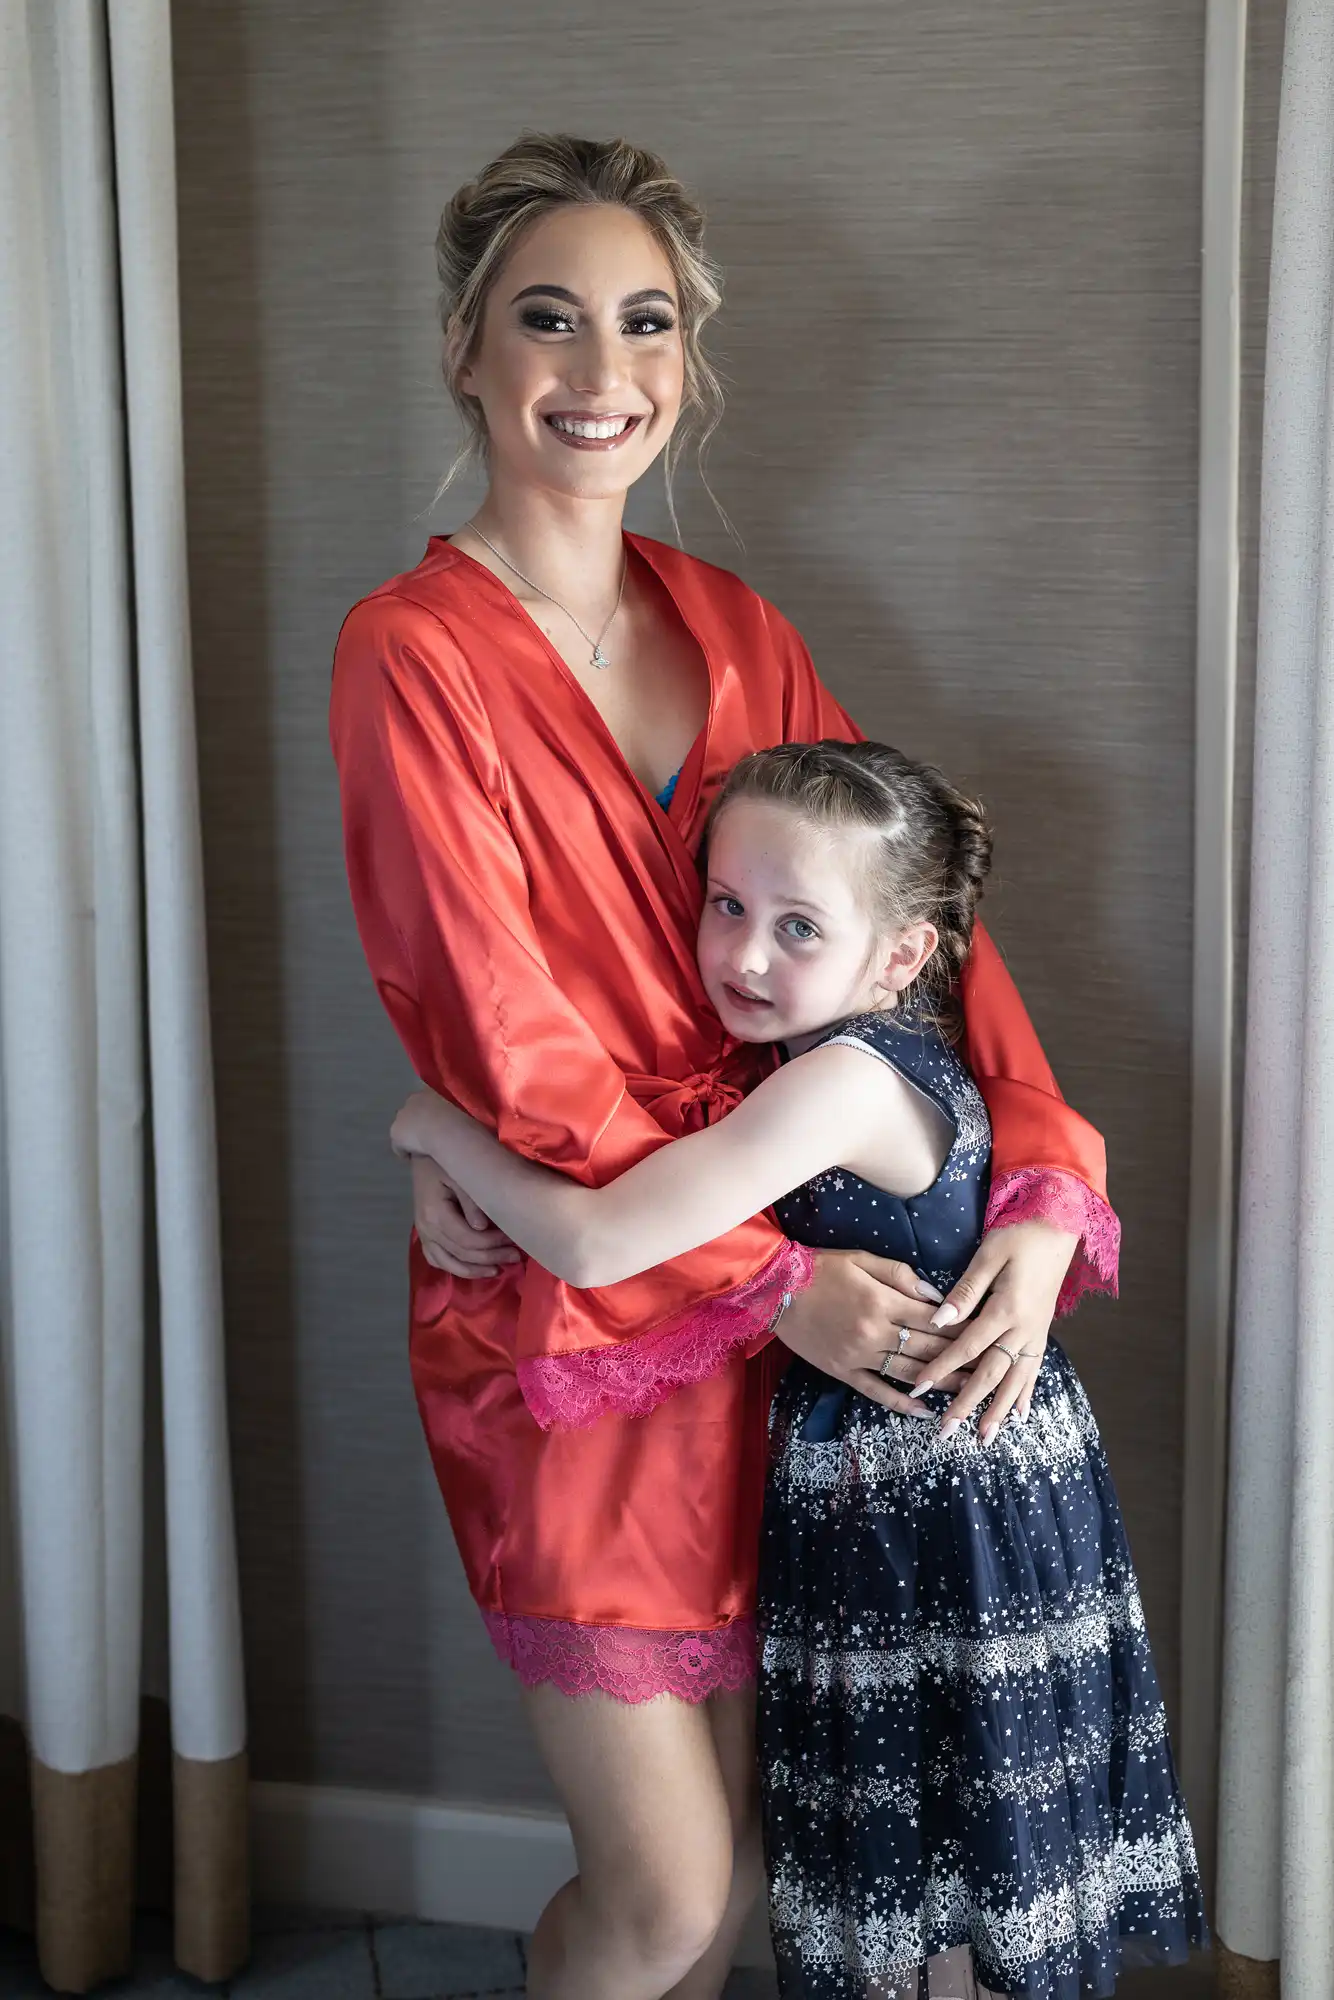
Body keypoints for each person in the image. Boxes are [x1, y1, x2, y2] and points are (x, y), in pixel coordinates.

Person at [330, 132, 1118, 2000]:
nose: (599, 372)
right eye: (547, 320)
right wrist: (764, 1289)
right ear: (463, 347)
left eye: (643, 324)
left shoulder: (741, 628)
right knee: (667, 1896)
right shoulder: (410, 653)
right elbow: (506, 1042)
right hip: (590, 1320)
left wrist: (1032, 1173)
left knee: (756, 1873)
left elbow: (920, 936)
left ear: (682, 362)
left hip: (821, 1324)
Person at [389, 739, 1206, 2000]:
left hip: (931, 1498)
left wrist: (431, 1122)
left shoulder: (836, 1083)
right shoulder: (846, 1056)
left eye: (797, 925)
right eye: (726, 906)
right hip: (953, 1478)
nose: (745, 955)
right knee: (943, 1863)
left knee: (937, 1867)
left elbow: (602, 1240)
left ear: (899, 956)